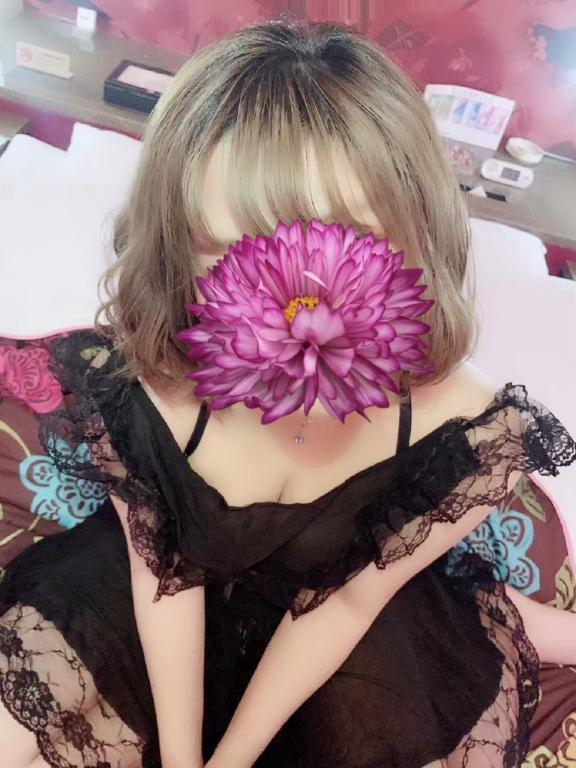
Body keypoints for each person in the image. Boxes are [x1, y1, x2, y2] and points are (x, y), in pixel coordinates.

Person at [0, 17, 575, 768]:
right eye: (224, 249)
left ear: (415, 233)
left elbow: (349, 602)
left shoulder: (463, 425)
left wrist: (233, 758)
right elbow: (161, 574)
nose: (285, 297)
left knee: (451, 639)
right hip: (178, 585)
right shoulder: (149, 375)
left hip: (342, 607)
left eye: (334, 242)